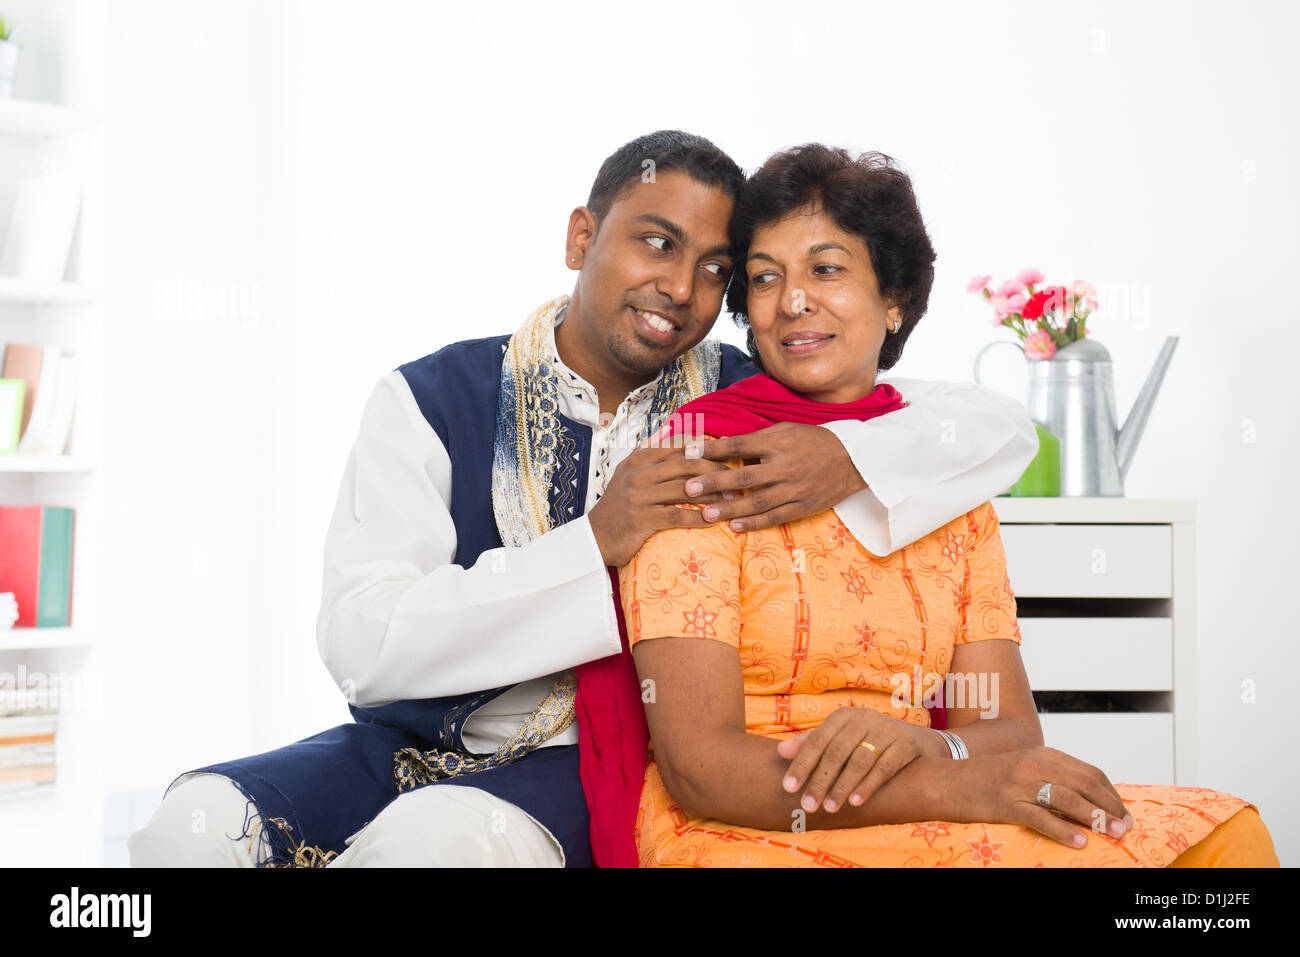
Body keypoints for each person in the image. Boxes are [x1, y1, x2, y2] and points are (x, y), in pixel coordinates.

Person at [128, 131, 1040, 868]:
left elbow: (993, 428)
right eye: (655, 240)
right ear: (580, 237)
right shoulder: (431, 396)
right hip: (398, 742)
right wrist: (593, 542)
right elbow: (363, 645)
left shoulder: (741, 398)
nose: (680, 289)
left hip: (589, 764)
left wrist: (842, 457)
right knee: (192, 829)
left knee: (434, 846)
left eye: (719, 269)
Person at [619, 143, 1280, 867]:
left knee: (1225, 839)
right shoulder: (704, 463)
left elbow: (1004, 729)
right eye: (765, 278)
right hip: (754, 820)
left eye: (827, 268)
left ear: (894, 300)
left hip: (923, 792)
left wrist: (933, 744)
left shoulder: (940, 474)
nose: (793, 300)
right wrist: (957, 782)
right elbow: (702, 770)